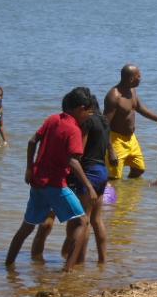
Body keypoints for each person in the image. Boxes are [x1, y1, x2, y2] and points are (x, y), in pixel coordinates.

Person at [5, 87, 97, 272]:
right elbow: (72, 161)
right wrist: (89, 186)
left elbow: (32, 141)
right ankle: (67, 271)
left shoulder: (53, 119)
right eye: (89, 111)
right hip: (56, 185)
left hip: (38, 182)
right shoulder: (74, 130)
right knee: (83, 222)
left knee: (27, 227)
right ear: (80, 108)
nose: (89, 115)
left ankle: (8, 266)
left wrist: (29, 168)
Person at [32, 95, 118, 264]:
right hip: (101, 172)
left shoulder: (85, 123)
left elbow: (78, 153)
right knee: (95, 219)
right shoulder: (104, 121)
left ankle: (75, 260)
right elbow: (107, 144)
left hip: (84, 173)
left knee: (74, 220)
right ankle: (101, 261)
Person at [104, 64, 157, 179]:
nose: (141, 78)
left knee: (139, 169)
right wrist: (110, 150)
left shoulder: (132, 91)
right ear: (131, 79)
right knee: (114, 178)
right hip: (116, 140)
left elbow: (140, 108)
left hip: (131, 138)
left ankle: (129, 192)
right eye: (139, 76)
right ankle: (115, 195)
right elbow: (104, 125)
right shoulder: (114, 96)